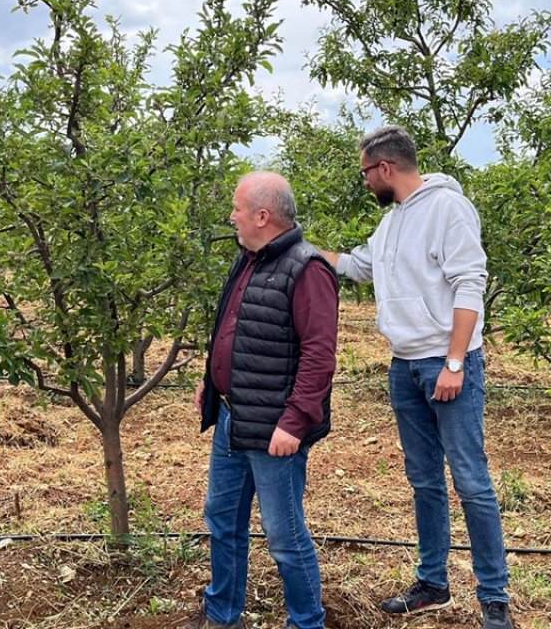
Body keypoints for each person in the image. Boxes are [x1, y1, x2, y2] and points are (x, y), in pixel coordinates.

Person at [321, 126, 512, 628]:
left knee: (470, 480)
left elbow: (470, 282)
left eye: (366, 173)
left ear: (384, 168)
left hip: (446, 366)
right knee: (424, 480)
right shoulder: (392, 223)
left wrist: (454, 361)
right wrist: (307, 250)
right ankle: (433, 584)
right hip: (405, 366)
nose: (365, 183)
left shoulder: (448, 208)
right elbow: (362, 266)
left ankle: (495, 597)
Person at [185, 172, 339, 629]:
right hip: (234, 418)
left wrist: (295, 422)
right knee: (222, 520)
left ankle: (307, 621)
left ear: (262, 215)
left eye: (236, 208)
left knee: (284, 535)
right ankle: (222, 614)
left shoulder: (308, 268)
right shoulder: (249, 259)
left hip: (275, 430)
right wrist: (213, 382)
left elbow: (319, 356)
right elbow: (234, 326)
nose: (231, 216)